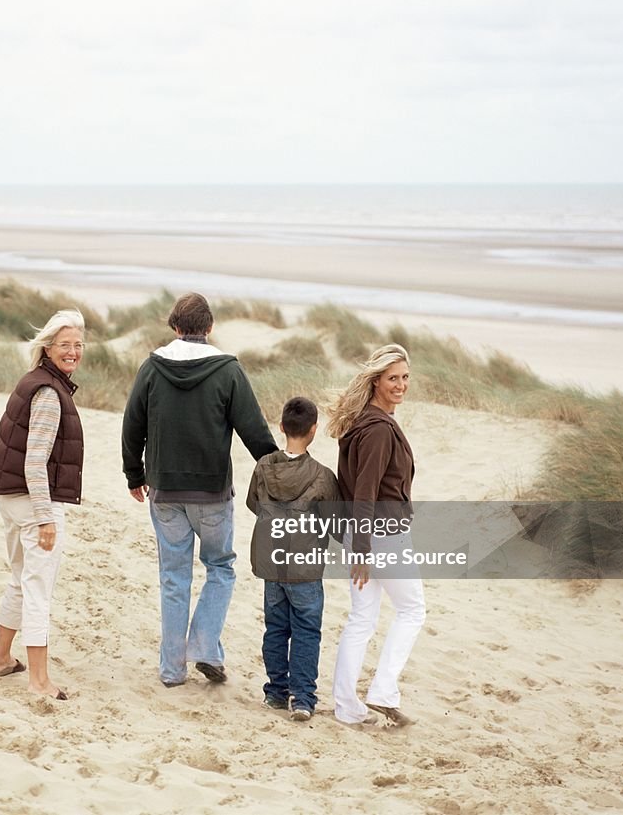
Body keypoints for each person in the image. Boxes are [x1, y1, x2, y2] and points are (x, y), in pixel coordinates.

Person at [122, 292, 277, 687]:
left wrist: (133, 475)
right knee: (221, 568)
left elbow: (132, 424)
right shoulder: (227, 370)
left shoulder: (152, 368)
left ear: (174, 327)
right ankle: (206, 647)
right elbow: (253, 430)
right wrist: (278, 469)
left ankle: (172, 670)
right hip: (211, 493)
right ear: (209, 329)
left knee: (174, 578)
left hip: (165, 492)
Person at [0, 310, 86, 701]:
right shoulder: (48, 393)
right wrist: (45, 518)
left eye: (78, 345)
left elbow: (2, 434)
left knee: (19, 580)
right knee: (38, 589)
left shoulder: (32, 381)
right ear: (47, 347)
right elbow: (34, 460)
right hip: (33, 504)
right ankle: (39, 682)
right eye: (65, 345)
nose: (73, 352)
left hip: (10, 499)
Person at [327, 343, 424, 727]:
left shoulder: (364, 420)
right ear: (376, 382)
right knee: (412, 610)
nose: (401, 384)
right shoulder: (379, 430)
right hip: (381, 536)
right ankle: (383, 690)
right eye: (393, 378)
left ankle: (347, 707)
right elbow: (365, 491)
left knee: (361, 620)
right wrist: (363, 551)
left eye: (404, 377)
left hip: (363, 535)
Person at [247, 396, 340, 722]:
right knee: (306, 630)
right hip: (305, 567)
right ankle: (302, 698)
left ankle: (275, 692)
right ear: (314, 430)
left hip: (272, 564)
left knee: (275, 628)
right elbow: (338, 524)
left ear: (282, 426)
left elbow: (253, 505)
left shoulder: (263, 467)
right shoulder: (323, 476)